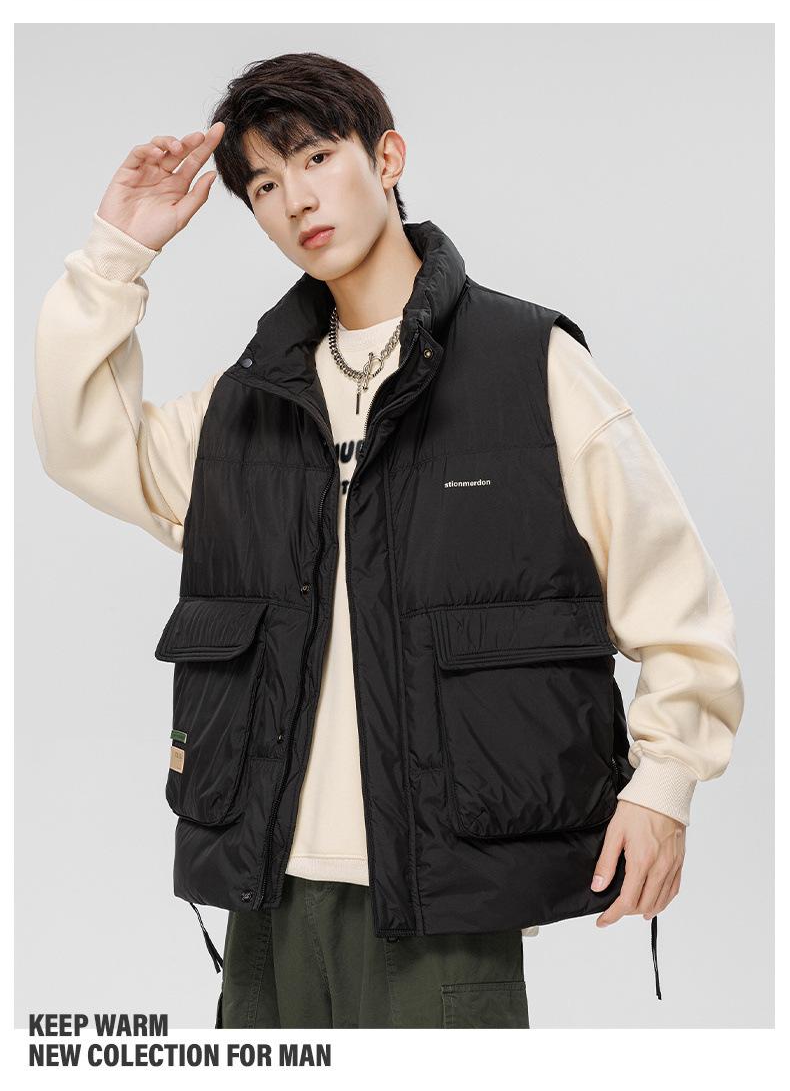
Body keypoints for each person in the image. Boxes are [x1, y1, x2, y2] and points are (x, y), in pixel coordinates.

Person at [32, 52, 744, 1029]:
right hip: (266, 889)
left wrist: (663, 787)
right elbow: (84, 446)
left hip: (440, 899)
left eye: (317, 158)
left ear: (388, 157)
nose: (295, 199)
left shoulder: (529, 366)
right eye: (265, 186)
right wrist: (116, 253)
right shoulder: (250, 401)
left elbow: (679, 606)